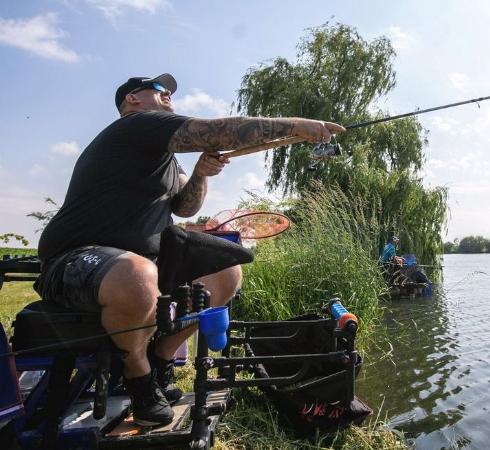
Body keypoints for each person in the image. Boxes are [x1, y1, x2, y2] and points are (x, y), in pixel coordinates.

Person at [35, 73, 345, 426]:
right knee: (136, 274)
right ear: (133, 98)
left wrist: (200, 173)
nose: (167, 93)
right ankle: (138, 375)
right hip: (76, 256)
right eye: (158, 89)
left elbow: (185, 207)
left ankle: (162, 358)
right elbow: (218, 131)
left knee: (225, 271)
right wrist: (297, 126)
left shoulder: (164, 157)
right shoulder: (137, 125)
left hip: (143, 261)